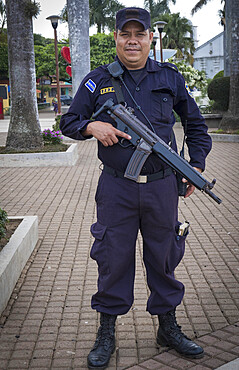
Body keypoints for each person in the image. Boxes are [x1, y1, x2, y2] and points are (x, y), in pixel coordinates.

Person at [60, 7, 212, 369]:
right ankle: (107, 331)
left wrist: (196, 166)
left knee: (163, 256)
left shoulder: (170, 78)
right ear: (116, 38)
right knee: (113, 257)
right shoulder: (98, 80)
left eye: (139, 34)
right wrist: (91, 127)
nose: (132, 40)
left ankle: (167, 327)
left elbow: (196, 125)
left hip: (162, 187)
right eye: (125, 34)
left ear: (149, 39)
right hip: (117, 188)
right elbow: (69, 120)